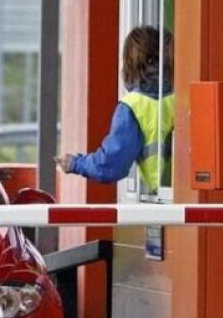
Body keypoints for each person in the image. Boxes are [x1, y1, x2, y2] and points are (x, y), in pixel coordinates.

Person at [55, 25, 174, 194]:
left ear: (131, 62)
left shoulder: (133, 106)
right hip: (187, 198)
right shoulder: (180, 98)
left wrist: (75, 164)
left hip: (160, 202)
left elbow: (111, 166)